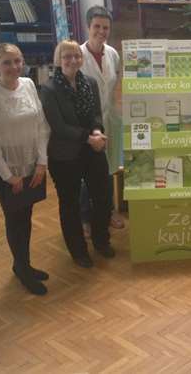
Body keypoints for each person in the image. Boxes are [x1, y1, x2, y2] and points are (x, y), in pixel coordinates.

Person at [0, 43, 51, 295]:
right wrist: (9, 177)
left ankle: (23, 265)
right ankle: (22, 269)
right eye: (7, 62)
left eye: (18, 61)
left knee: (26, 216)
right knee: (15, 218)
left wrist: (41, 162)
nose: (14, 67)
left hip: (30, 163)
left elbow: (41, 125)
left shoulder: (28, 84)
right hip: (4, 169)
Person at [40, 40, 114, 268]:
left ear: (81, 59)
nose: (72, 60)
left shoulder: (89, 83)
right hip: (65, 155)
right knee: (70, 204)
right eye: (66, 57)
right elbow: (59, 127)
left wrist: (97, 131)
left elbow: (96, 114)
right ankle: (78, 251)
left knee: (103, 196)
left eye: (76, 56)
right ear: (58, 60)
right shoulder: (49, 89)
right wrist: (89, 138)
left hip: (92, 147)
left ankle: (101, 240)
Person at [79, 5, 123, 236]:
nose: (101, 32)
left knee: (108, 169)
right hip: (87, 123)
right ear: (88, 27)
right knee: (87, 173)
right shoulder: (78, 56)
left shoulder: (113, 54)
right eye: (97, 26)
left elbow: (114, 87)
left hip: (110, 118)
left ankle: (109, 211)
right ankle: (85, 217)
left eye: (105, 28)